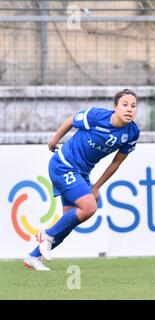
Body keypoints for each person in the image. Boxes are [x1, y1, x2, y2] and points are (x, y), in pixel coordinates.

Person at [23, 89, 140, 271]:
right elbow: (71, 120)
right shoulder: (96, 116)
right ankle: (45, 235)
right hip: (63, 164)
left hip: (82, 172)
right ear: (115, 107)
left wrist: (96, 186)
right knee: (89, 207)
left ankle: (33, 256)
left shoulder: (132, 132)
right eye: (124, 105)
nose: (129, 109)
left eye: (133, 106)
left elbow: (116, 163)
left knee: (68, 222)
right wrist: (54, 140)